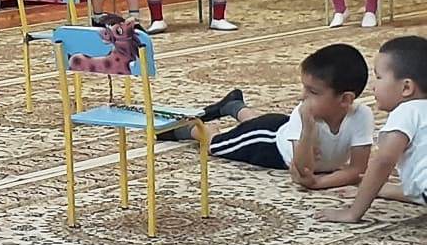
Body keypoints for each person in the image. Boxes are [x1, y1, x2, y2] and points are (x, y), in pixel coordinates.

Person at [158, 44, 373, 190]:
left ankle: (234, 106)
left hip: (279, 127)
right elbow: (303, 170)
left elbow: (357, 169)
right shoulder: (304, 115)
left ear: (345, 99)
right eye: (304, 88)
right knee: (216, 145)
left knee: (259, 124)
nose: (302, 96)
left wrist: (319, 183)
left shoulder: (362, 115)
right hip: (267, 143)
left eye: (313, 92)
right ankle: (193, 129)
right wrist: (308, 131)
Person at [318, 36, 427, 222]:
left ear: (406, 87)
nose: (373, 86)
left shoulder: (406, 111)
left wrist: (353, 212)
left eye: (379, 77)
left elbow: (383, 161)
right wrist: (380, 189)